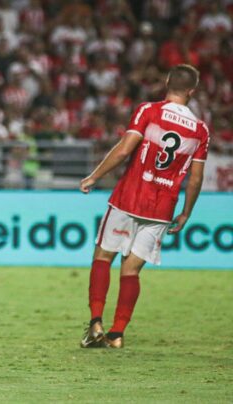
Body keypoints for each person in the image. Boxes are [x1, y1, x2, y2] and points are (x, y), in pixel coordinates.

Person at [79, 64, 209, 349]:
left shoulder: (148, 110)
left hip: (130, 196)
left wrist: (94, 176)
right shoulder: (200, 131)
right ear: (192, 92)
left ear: (166, 82)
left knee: (103, 257)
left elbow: (125, 149)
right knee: (131, 271)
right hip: (162, 208)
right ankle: (117, 334)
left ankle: (96, 322)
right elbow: (196, 178)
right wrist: (186, 212)